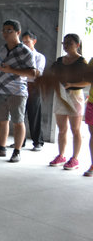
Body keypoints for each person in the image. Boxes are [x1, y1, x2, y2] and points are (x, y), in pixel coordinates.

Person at [0, 20, 36, 163]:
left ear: (18, 32)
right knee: (2, 121)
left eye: (9, 30)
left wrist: (11, 70)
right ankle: (1, 148)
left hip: (18, 92)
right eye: (4, 30)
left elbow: (32, 73)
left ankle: (17, 151)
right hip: (0, 90)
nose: (5, 33)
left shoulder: (25, 51)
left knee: (18, 122)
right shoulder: (2, 49)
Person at [46, 34, 88, 170]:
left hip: (75, 96)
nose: (66, 45)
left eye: (69, 43)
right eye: (64, 43)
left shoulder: (81, 61)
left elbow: (88, 81)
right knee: (62, 129)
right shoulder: (59, 61)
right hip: (61, 96)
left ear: (77, 45)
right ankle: (61, 155)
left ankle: (75, 158)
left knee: (75, 129)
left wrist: (71, 84)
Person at [20, 30, 46, 151]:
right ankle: (20, 141)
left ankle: (38, 142)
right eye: (23, 42)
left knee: (34, 115)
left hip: (34, 87)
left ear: (34, 41)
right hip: (21, 86)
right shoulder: (20, 56)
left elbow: (36, 74)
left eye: (27, 41)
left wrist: (23, 72)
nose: (25, 44)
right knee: (20, 115)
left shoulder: (39, 57)